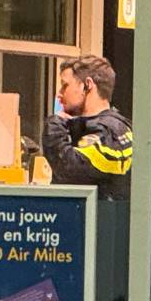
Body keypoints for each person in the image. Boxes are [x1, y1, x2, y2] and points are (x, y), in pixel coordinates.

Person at [43, 55, 134, 196]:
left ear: (88, 85)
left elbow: (71, 170)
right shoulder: (87, 126)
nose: (59, 94)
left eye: (65, 85)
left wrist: (54, 129)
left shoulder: (112, 131)